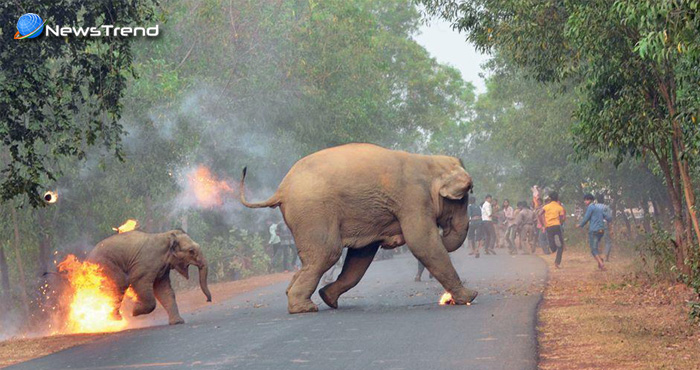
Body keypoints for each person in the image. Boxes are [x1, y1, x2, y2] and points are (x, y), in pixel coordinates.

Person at [577, 193, 612, 270]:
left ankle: (602, 264)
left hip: (594, 230)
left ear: (589, 200)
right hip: (601, 230)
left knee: (593, 250)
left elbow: (586, 218)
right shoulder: (598, 208)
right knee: (596, 247)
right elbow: (609, 217)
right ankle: (600, 262)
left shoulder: (590, 207)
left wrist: (580, 225)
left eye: (585, 200)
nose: (585, 202)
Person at [539, 192, 566, 267]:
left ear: (550, 198)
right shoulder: (560, 207)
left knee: (552, 245)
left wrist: (543, 224)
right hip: (557, 226)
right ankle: (557, 263)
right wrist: (560, 222)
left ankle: (553, 248)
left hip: (549, 227)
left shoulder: (546, 207)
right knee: (561, 246)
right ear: (557, 198)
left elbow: (539, 214)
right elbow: (562, 218)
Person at [597, 194, 614, 261]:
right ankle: (605, 257)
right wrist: (611, 229)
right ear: (603, 200)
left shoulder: (594, 207)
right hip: (605, 225)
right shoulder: (606, 207)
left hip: (597, 226)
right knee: (608, 241)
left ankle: (598, 256)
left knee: (598, 241)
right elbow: (609, 219)